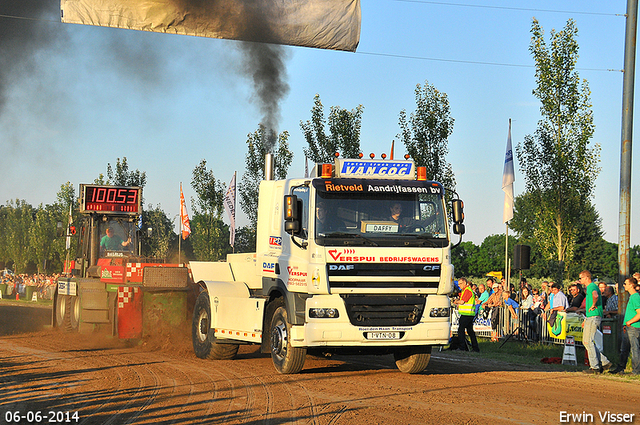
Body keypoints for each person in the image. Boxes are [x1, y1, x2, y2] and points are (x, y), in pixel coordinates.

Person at [610, 277, 640, 375]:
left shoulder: (635, 297)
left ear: (631, 285)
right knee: (625, 348)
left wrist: (629, 322)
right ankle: (620, 367)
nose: (624, 285)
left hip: (633, 327)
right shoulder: (632, 296)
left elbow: (639, 313)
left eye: (625, 283)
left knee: (634, 349)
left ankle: (636, 371)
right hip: (629, 327)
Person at [581, 270, 607, 374]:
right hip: (592, 316)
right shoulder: (593, 286)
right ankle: (604, 361)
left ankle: (595, 366)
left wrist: (593, 304)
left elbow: (595, 295)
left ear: (586, 278)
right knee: (588, 341)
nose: (580, 280)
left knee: (588, 341)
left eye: (581, 278)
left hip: (593, 316)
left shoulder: (591, 286)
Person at [453, 277, 480, 352]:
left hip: (467, 314)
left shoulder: (467, 291)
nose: (459, 286)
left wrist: (456, 301)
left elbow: (462, 302)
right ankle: (475, 348)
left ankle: (462, 347)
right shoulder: (465, 290)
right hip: (468, 314)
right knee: (470, 331)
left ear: (465, 283)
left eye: (460, 284)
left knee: (461, 330)